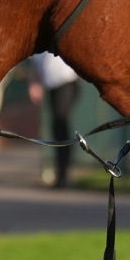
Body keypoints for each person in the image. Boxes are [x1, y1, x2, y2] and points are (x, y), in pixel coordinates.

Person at [29, 52, 80, 188]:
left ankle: (63, 175)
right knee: (57, 128)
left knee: (61, 123)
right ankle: (61, 175)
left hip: (66, 82)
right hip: (51, 85)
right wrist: (35, 83)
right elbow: (37, 64)